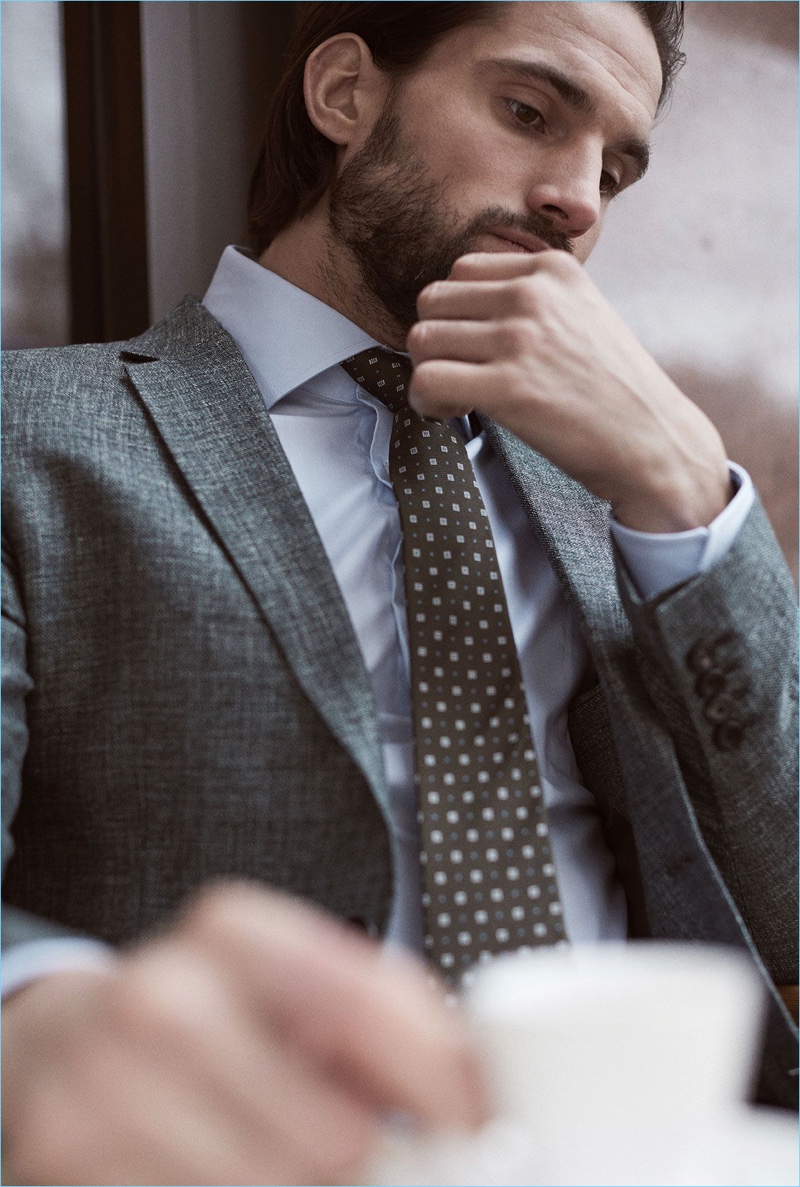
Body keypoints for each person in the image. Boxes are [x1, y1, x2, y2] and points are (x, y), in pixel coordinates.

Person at [2, 1, 797, 1182]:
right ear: (343, 95)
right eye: (529, 111)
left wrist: (684, 487)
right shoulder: (30, 435)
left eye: (614, 171)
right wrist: (39, 1023)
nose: (578, 199)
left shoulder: (619, 495)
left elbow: (782, 894)